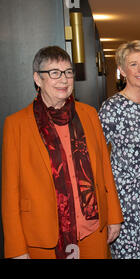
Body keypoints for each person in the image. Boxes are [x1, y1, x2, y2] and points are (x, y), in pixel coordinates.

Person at [1, 46, 123, 259]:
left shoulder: (89, 115)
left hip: (92, 228)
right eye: (54, 73)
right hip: (44, 235)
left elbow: (105, 169)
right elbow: (10, 193)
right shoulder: (17, 125)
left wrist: (113, 216)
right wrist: (17, 248)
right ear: (38, 79)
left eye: (68, 72)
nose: (64, 80)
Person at [98, 40, 140, 259]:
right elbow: (97, 157)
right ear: (122, 70)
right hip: (124, 202)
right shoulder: (112, 107)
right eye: (133, 64)